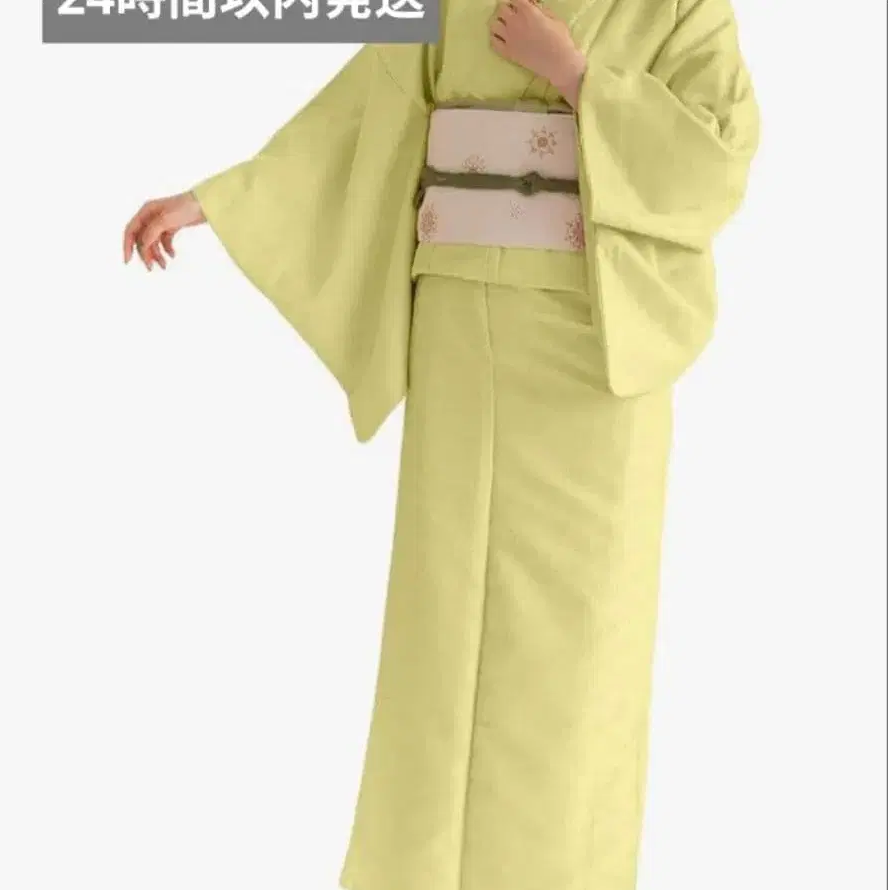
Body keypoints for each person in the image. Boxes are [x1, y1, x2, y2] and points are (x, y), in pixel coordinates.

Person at [122, 1, 759, 888]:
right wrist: (218, 201)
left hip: (594, 347)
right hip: (461, 329)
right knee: (442, 628)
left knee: (579, 643)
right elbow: (361, 110)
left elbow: (718, 155)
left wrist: (579, 78)